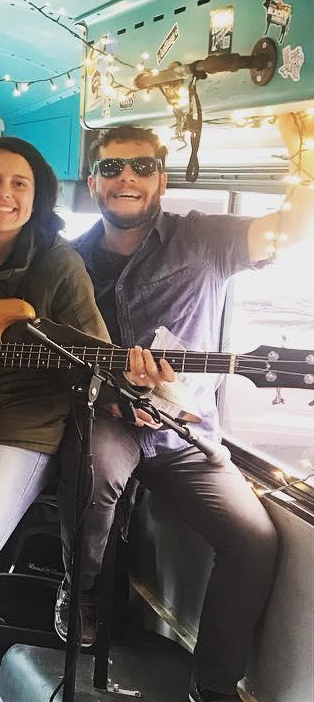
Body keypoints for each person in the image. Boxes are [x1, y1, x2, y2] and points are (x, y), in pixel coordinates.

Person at [57, 117, 314, 702]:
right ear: (93, 183)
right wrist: (112, 396)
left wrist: (303, 157)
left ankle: (214, 687)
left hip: (185, 431)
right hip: (107, 423)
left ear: (162, 181)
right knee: (91, 478)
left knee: (253, 541)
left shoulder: (204, 238)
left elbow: (290, 230)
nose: (126, 177)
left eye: (142, 167)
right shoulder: (67, 262)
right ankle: (82, 590)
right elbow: (56, 353)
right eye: (111, 167)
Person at [0, 136, 137, 675]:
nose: (4, 194)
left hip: (19, 430)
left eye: (20, 184)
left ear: (37, 198)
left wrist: (137, 388)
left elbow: (95, 357)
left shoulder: (59, 265)